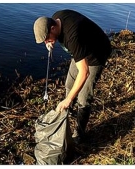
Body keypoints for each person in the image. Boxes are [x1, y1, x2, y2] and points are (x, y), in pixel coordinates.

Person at [33, 9, 112, 143]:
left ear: (53, 28)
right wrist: (51, 42)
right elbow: (73, 46)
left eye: (47, 39)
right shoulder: (56, 18)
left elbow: (84, 72)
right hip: (81, 51)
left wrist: (68, 99)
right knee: (69, 85)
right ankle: (68, 113)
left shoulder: (72, 37)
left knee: (83, 97)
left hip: (96, 54)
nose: (47, 42)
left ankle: (79, 133)